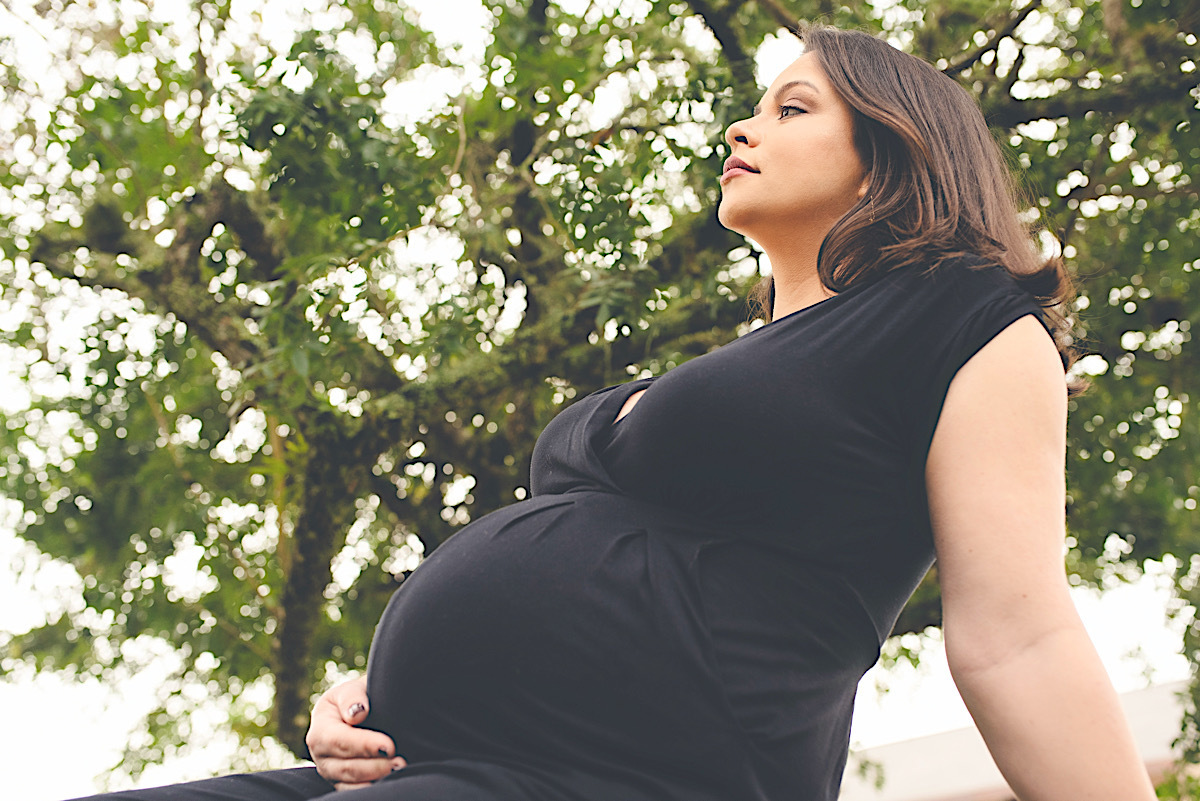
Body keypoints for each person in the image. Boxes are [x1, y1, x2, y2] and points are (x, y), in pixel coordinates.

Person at [73, 23, 1156, 801]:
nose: (744, 122)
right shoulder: (742, 363)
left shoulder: (964, 319)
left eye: (792, 106)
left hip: (617, 777)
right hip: (428, 763)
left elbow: (1018, 634)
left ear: (896, 149)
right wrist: (367, 697)